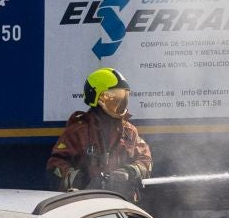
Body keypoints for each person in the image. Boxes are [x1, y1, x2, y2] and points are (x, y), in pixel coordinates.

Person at [46, 67, 153, 199]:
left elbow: (145, 160)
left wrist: (129, 172)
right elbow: (55, 166)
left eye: (123, 97)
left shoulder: (129, 131)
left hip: (123, 203)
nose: (120, 103)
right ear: (96, 98)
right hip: (88, 203)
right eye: (114, 98)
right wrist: (82, 180)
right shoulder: (78, 131)